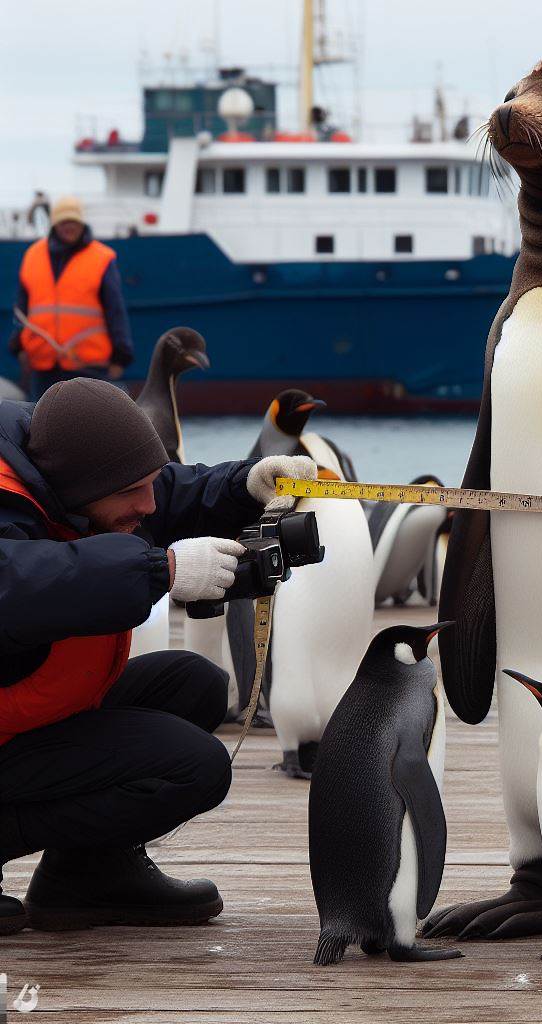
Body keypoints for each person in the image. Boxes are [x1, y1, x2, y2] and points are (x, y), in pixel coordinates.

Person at [0, 378, 317, 935]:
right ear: (80, 485)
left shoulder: (61, 460)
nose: (147, 507)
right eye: (132, 492)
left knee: (190, 684)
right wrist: (160, 571)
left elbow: (163, 491)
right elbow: (17, 586)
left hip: (20, 719)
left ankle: (88, 876)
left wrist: (244, 485)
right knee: (191, 764)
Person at [8, 196, 134, 400]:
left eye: (73, 221)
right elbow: (22, 309)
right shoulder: (33, 256)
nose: (69, 227)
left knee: (87, 425)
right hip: (44, 366)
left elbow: (115, 310)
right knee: (42, 425)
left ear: (82, 223)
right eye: (64, 222)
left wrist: (121, 356)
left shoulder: (101, 258)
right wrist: (18, 344)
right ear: (55, 225)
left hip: (87, 365)